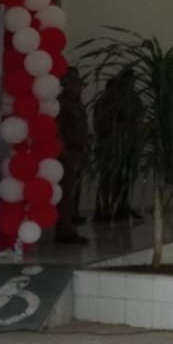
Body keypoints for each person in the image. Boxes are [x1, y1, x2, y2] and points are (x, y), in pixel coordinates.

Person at [92, 68, 141, 222]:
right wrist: (122, 126)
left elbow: (138, 119)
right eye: (127, 81)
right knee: (107, 179)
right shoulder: (107, 100)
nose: (130, 84)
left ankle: (120, 207)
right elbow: (101, 124)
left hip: (128, 145)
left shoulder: (133, 99)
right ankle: (103, 210)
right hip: (109, 145)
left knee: (124, 178)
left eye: (132, 81)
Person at [55, 67, 89, 244]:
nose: (78, 88)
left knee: (74, 190)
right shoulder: (61, 103)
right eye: (74, 84)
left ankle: (71, 220)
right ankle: (63, 229)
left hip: (79, 150)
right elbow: (57, 130)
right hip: (68, 152)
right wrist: (64, 152)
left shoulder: (78, 103)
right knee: (66, 192)